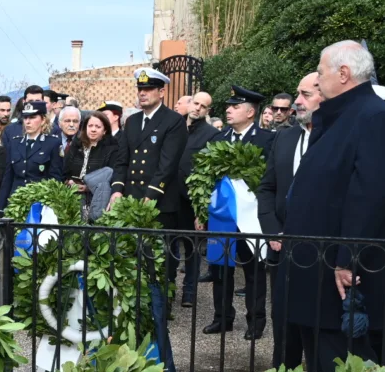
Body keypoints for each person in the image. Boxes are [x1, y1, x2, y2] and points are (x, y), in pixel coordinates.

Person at [281, 41, 385, 372]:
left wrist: (347, 259)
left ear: (344, 73)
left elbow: (370, 197)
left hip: (341, 284)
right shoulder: (340, 118)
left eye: (321, 72)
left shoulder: (375, 119)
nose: (318, 80)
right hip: (316, 280)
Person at [257, 73, 321, 370]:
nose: (297, 102)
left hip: (321, 253)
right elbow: (267, 187)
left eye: (305, 94)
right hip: (282, 249)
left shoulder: (334, 136)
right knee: (283, 323)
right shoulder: (285, 137)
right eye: (298, 94)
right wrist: (271, 229)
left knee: (319, 330)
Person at [202, 85, 274, 340]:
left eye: (235, 106)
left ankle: (256, 321)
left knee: (254, 270)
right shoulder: (219, 140)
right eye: (228, 106)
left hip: (250, 218)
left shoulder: (267, 140)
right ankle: (222, 318)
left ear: (250, 111)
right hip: (223, 217)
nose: (228, 110)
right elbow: (207, 178)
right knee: (221, 269)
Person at [109, 67, 187, 205]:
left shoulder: (174, 120)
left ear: (161, 92)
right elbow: (122, 160)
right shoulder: (132, 121)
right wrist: (117, 189)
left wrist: (151, 195)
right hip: (130, 197)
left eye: (148, 89)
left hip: (158, 200)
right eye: (140, 89)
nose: (142, 93)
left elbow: (167, 165)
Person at [174, 91, 217, 306]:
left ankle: (189, 292)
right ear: (189, 103)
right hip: (169, 197)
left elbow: (209, 173)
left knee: (192, 248)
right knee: (168, 245)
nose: (197, 107)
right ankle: (168, 289)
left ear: (207, 111)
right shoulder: (174, 126)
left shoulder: (211, 134)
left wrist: (201, 210)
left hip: (192, 200)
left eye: (203, 105)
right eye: (195, 102)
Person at [0, 100, 62, 214]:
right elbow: (8, 177)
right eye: (25, 118)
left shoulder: (52, 143)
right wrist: (0, 208)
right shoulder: (15, 143)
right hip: (15, 203)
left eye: (32, 117)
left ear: (43, 120)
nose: (28, 122)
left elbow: (55, 179)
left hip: (39, 204)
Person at [63, 110, 116, 219]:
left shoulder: (111, 149)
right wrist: (69, 181)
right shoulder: (76, 145)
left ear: (105, 130)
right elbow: (65, 169)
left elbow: (110, 175)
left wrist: (87, 187)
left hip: (98, 197)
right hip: (73, 194)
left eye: (97, 127)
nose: (93, 129)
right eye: (90, 126)